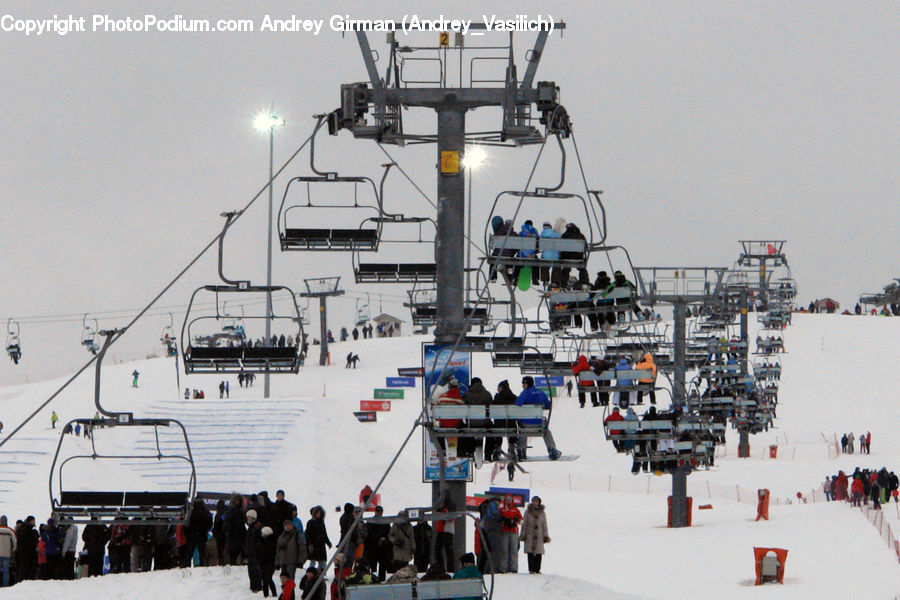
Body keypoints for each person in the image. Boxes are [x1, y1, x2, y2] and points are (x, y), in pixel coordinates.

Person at [515, 376, 562, 460]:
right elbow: (548, 405)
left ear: (528, 384)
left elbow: (517, 404)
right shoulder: (541, 393)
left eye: (524, 384)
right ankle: (552, 449)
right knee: (546, 431)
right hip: (538, 423)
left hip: (526, 424)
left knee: (522, 430)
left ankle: (521, 451)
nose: (523, 385)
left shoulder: (525, 393)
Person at [519, 497, 549, 575]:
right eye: (533, 501)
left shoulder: (542, 513)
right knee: (530, 552)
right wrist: (523, 535)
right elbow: (524, 524)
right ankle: (531, 569)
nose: (535, 503)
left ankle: (537, 569)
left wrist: (545, 535)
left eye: (536, 501)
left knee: (539, 552)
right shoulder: (528, 512)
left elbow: (544, 525)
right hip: (530, 534)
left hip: (539, 535)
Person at [476, 497, 502, 574]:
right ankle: (491, 568)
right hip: (492, 528)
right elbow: (495, 515)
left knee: (486, 549)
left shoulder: (484, 507)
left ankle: (484, 568)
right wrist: (502, 518)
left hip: (485, 529)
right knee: (494, 549)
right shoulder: (491, 505)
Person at [184, 498, 212, 566]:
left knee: (189, 555)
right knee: (202, 555)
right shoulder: (206, 512)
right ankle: (203, 568)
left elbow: (185, 524)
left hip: (191, 536)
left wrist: (187, 533)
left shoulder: (190, 512)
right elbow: (210, 524)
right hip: (202, 536)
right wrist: (204, 530)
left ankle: (186, 568)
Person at [498, 495, 522, 574]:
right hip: (504, 532)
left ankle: (514, 567)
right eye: (507, 500)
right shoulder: (502, 510)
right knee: (504, 550)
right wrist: (503, 520)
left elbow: (521, 521)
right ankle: (503, 567)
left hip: (514, 532)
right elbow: (498, 519)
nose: (508, 502)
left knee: (514, 550)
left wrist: (516, 520)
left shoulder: (515, 510)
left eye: (510, 500)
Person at [305, 506, 331, 573]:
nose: (318, 514)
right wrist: (310, 544)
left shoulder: (322, 523)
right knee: (313, 561)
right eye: (317, 513)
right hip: (313, 545)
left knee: (322, 562)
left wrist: (328, 543)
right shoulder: (310, 522)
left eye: (320, 513)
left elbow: (324, 534)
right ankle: (310, 574)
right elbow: (308, 534)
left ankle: (321, 575)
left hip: (321, 545)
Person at [246, 510, 264, 593]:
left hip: (256, 553)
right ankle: (253, 586)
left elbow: (260, 541)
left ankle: (257, 587)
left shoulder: (258, 527)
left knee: (256, 571)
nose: (247, 518)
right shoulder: (250, 527)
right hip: (250, 552)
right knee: (251, 571)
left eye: (249, 517)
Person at [538, 221, 561, 285]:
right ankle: (555, 281)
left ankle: (545, 280)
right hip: (556, 256)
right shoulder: (555, 234)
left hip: (546, 256)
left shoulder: (542, 234)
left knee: (545, 268)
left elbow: (539, 244)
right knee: (556, 268)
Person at [0, 516, 16, 587]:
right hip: (7, 553)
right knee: (6, 571)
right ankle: (5, 585)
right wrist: (13, 550)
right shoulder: (10, 530)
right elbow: (15, 542)